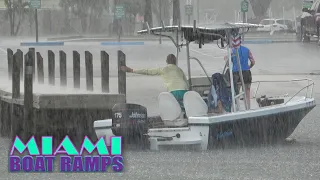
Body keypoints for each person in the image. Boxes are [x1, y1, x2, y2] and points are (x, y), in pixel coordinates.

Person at [120, 54, 189, 109]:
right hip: (184, 91)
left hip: (173, 91)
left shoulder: (163, 69)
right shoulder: (180, 70)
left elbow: (148, 71)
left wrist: (132, 70)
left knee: (175, 108)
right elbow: (187, 83)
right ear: (175, 61)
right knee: (184, 108)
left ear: (166, 61)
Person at [224, 44, 255, 109]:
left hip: (236, 73)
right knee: (247, 91)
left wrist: (231, 65)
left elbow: (227, 62)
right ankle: (248, 108)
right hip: (246, 73)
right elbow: (253, 61)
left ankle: (237, 108)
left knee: (236, 91)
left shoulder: (232, 51)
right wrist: (249, 67)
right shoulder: (247, 50)